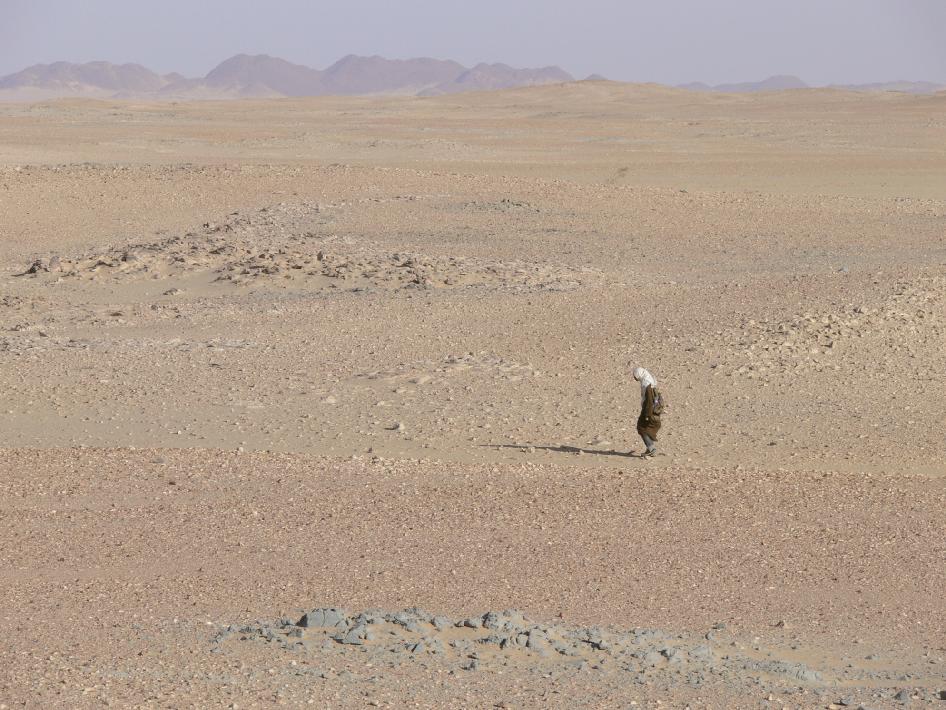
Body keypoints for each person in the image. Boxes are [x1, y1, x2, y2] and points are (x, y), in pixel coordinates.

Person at [632, 366, 662, 457]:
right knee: (647, 428)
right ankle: (649, 449)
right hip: (652, 410)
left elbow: (649, 400)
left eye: (635, 376)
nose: (635, 378)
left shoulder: (647, 384)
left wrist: (647, 414)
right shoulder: (649, 380)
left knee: (642, 428)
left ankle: (651, 448)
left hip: (649, 410)